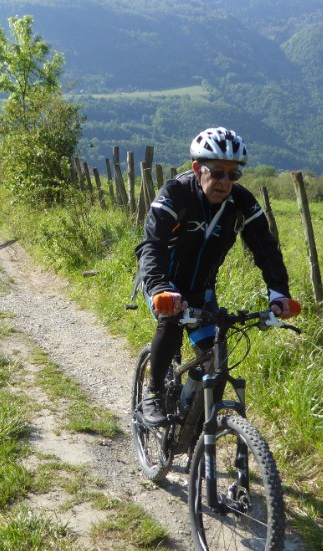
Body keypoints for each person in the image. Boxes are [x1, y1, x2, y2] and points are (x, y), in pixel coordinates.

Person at [134, 127, 300, 426]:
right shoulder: (176, 194)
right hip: (163, 280)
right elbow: (152, 245)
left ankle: (199, 425)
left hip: (202, 289)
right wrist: (159, 286)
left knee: (216, 357)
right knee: (171, 319)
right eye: (218, 173)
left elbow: (266, 249)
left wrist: (279, 293)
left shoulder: (242, 203)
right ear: (197, 168)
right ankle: (154, 391)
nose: (225, 182)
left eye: (233, 175)